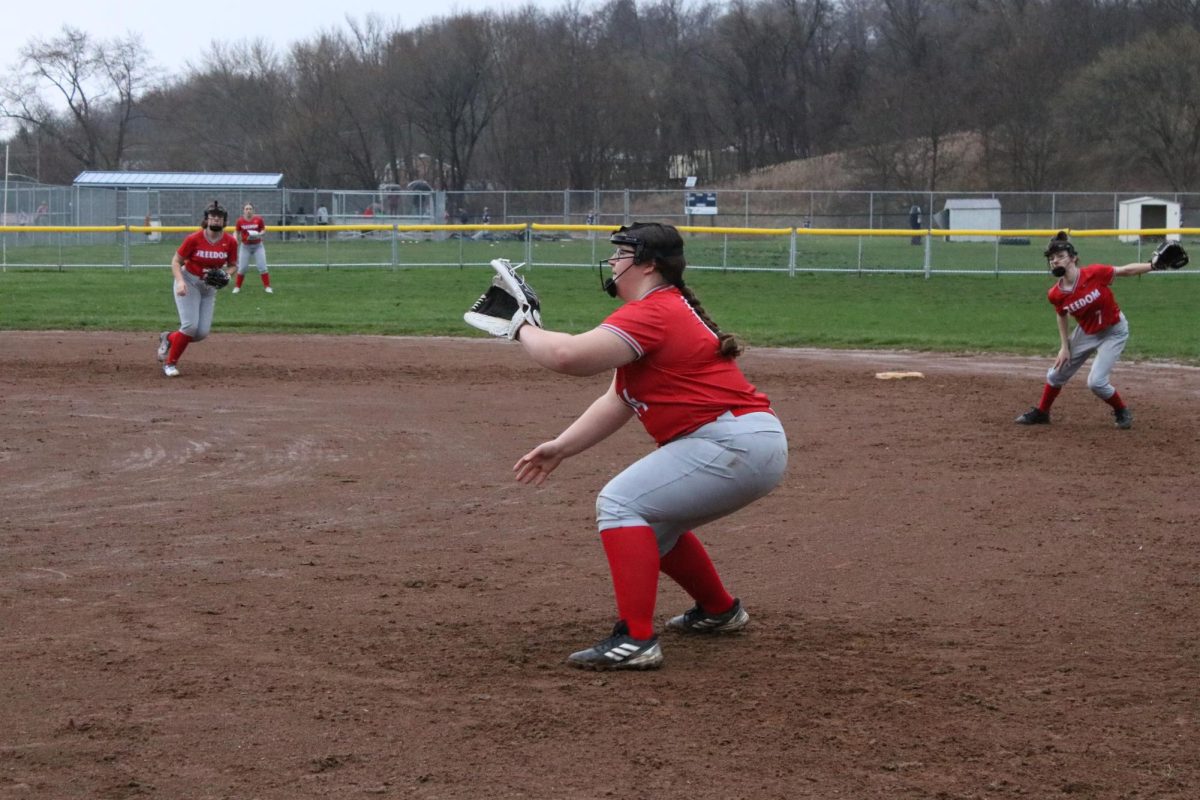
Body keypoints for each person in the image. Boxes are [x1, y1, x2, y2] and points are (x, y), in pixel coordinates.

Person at [510, 222, 789, 670]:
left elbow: (566, 357)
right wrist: (561, 447)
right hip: (746, 442)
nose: (614, 263)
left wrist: (522, 327)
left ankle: (636, 640)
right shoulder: (664, 309)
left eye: (621, 254)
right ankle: (719, 611)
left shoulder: (654, 311)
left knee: (620, 504)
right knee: (654, 528)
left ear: (648, 264)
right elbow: (619, 399)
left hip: (730, 443)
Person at [1014, 230, 1156, 430]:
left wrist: (1153, 265)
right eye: (1052, 258)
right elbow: (1061, 314)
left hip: (1114, 330)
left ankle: (1121, 410)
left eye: (1061, 257)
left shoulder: (1094, 274)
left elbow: (1125, 270)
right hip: (1087, 332)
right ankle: (1042, 412)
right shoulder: (1055, 293)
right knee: (1055, 375)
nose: (1056, 261)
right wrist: (1064, 347)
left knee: (1096, 382)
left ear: (1073, 258)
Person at [156, 200, 238, 378]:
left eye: (219, 218)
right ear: (206, 220)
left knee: (201, 333)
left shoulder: (230, 241)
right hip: (189, 282)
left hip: (209, 288)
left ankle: (169, 337)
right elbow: (176, 261)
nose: (215, 220)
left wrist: (227, 274)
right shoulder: (194, 239)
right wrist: (180, 281)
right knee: (190, 326)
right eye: (212, 217)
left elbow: (233, 265)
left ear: (224, 221)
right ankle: (170, 363)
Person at [233, 203, 273, 295]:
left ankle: (267, 287)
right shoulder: (240, 221)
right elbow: (237, 231)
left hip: (258, 246)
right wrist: (235, 238)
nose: (248, 210)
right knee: (242, 268)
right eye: (246, 209)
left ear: (253, 210)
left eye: (250, 209)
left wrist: (259, 234)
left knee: (262, 267)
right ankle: (237, 287)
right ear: (243, 210)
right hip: (245, 246)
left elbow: (263, 230)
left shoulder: (258, 219)